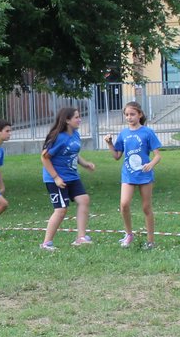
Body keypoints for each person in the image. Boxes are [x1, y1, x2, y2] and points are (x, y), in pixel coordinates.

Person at [40, 106, 98, 250]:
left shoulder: (75, 134)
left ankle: (81, 237)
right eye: (76, 117)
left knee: (84, 199)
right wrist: (56, 178)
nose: (80, 119)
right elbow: (44, 158)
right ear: (67, 120)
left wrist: (85, 164)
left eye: (79, 117)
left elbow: (73, 153)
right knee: (61, 210)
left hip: (72, 176)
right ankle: (46, 243)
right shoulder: (58, 137)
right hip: (57, 178)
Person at [106, 102, 162, 248]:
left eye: (132, 114)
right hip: (128, 175)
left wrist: (151, 164)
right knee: (124, 204)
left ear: (140, 115)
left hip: (144, 175)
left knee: (146, 208)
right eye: (126, 115)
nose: (129, 117)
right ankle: (129, 234)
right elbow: (117, 156)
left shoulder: (147, 132)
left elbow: (157, 156)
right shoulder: (123, 134)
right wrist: (110, 144)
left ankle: (150, 241)